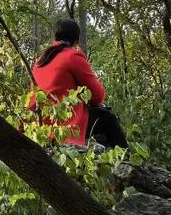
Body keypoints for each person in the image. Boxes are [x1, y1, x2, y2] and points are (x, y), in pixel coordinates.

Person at [27, 18, 125, 149]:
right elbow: (98, 96)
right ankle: (129, 164)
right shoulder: (73, 56)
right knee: (107, 117)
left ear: (55, 37)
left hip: (42, 128)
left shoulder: (39, 62)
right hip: (68, 127)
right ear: (77, 40)